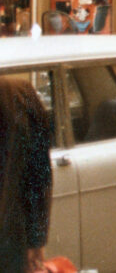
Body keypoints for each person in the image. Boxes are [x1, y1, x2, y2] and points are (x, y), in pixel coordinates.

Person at [0, 76, 53, 273]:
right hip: (10, 237)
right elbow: (39, 175)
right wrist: (36, 238)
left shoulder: (17, 93)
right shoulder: (19, 92)